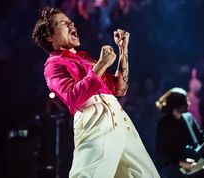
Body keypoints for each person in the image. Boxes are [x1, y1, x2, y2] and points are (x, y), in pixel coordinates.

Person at [32, 6, 160, 178]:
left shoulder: (85, 58)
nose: (72, 25)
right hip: (95, 121)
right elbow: (72, 97)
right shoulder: (53, 64)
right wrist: (100, 66)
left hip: (121, 122)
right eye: (64, 23)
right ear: (49, 36)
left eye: (71, 22)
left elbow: (119, 88)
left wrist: (123, 50)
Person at [155, 87, 204, 178]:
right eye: (185, 100)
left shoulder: (188, 117)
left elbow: (200, 137)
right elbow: (162, 151)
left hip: (195, 167)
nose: (188, 103)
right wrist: (181, 162)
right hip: (176, 171)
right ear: (178, 103)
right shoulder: (164, 124)